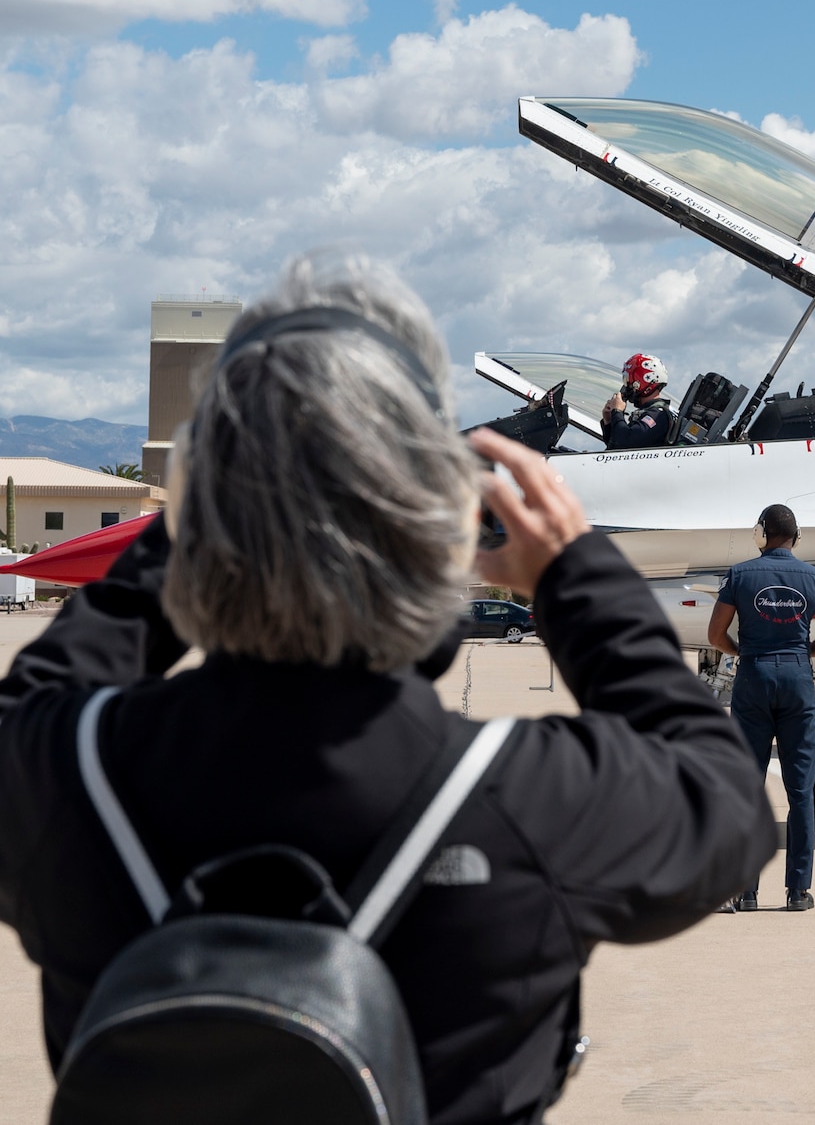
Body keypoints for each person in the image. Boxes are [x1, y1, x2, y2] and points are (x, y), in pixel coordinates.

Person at [0, 253, 773, 1123]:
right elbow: (728, 799)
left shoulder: (65, 776)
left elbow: (32, 698)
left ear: (200, 517)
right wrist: (574, 573)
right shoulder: (521, 799)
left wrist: (200, 521)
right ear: (427, 528)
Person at [706, 503, 815, 912]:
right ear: (796, 537)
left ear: (762, 534)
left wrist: (744, 651)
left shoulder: (740, 574)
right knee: (801, 790)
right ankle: (798, 891)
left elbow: (716, 635)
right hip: (798, 681)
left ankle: (745, 892)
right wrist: (802, 654)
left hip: (754, 678)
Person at [602, 352, 679, 448]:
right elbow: (616, 445)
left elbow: (625, 443)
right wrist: (609, 421)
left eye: (628, 381)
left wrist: (617, 412)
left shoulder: (657, 416)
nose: (626, 387)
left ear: (640, 382)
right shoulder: (650, 413)